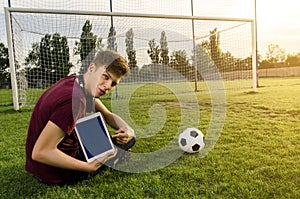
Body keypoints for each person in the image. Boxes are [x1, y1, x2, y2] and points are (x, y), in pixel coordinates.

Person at [25, 50, 136, 186]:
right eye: (105, 76)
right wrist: (88, 167)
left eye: (113, 83)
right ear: (91, 68)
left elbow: (107, 115)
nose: (107, 86)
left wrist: (128, 129)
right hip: (57, 172)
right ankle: (118, 157)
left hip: (37, 168)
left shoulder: (77, 82)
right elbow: (40, 152)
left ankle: (112, 151)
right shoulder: (75, 100)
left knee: (121, 135)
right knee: (127, 143)